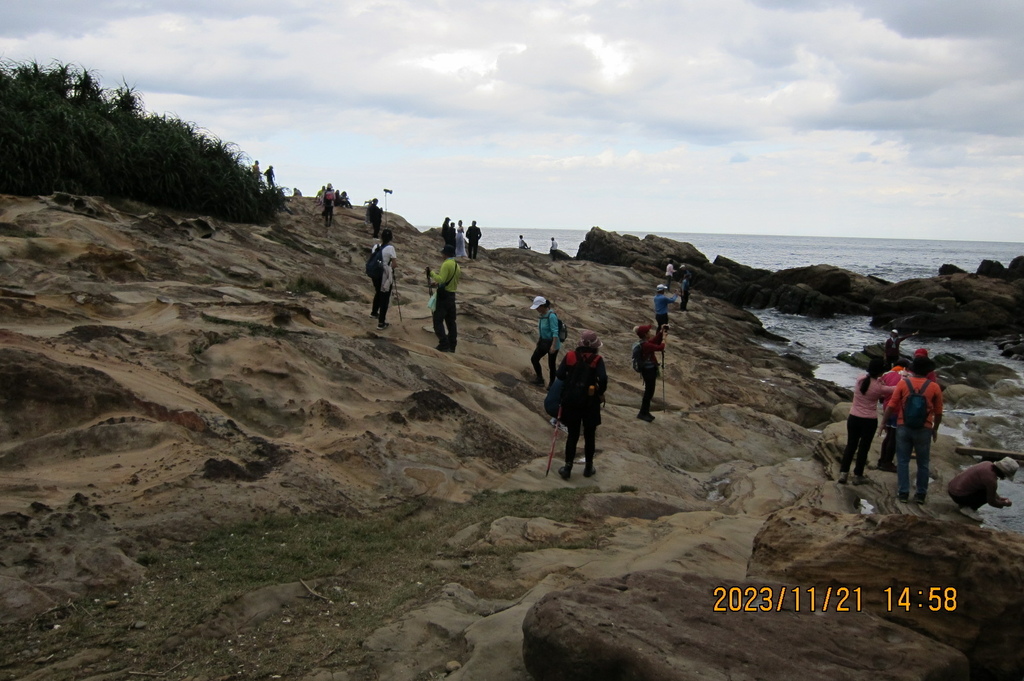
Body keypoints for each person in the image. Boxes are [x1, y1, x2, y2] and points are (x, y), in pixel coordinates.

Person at [879, 355, 943, 504]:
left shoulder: (903, 384)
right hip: (924, 428)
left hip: (903, 426)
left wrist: (883, 423)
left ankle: (903, 493)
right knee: (923, 463)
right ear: (928, 371)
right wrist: (935, 428)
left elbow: (892, 405)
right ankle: (920, 494)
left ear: (913, 369)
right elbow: (939, 412)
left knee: (902, 461)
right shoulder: (934, 387)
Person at [555, 330, 607, 480]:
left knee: (573, 435)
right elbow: (603, 378)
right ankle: (588, 467)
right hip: (590, 402)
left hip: (571, 400)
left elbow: (559, 375)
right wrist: (600, 391)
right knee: (590, 435)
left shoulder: (570, 356)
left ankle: (567, 467)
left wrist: (571, 381)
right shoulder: (597, 359)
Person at [838, 358, 894, 485]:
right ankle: (858, 475)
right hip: (869, 420)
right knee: (864, 448)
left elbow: (869, 379)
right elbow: (894, 389)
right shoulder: (880, 388)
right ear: (880, 371)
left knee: (850, 446)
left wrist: (879, 379)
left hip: (854, 417)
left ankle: (843, 473)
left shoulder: (860, 379)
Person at [947, 458, 1018, 521]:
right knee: (985, 495)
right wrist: (1005, 504)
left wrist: (999, 498)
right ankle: (968, 509)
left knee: (986, 490)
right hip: (958, 495)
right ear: (1003, 473)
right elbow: (992, 502)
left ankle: (966, 504)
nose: (1004, 477)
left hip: (952, 489)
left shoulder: (987, 463)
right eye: (1005, 475)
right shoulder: (991, 480)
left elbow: (990, 490)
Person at [427, 244, 461, 352]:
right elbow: (448, 281)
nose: (442, 255)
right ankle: (452, 344)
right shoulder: (456, 265)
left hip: (444, 296)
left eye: (443, 253)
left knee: (437, 320)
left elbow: (441, 279)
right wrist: (436, 284)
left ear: (446, 254)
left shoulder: (446, 264)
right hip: (452, 295)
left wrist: (431, 273)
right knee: (451, 322)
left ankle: (443, 343)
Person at [874, 364, 906, 473]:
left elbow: (881, 395)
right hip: (898, 409)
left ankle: (882, 460)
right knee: (893, 437)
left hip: (887, 408)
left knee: (888, 436)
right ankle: (887, 462)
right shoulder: (906, 377)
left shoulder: (887, 375)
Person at [634, 324, 667, 422]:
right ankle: (642, 413)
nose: (650, 333)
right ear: (645, 334)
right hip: (649, 371)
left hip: (648, 370)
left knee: (649, 391)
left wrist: (661, 332)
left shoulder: (645, 343)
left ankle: (645, 411)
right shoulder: (646, 345)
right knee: (649, 392)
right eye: (648, 332)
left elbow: (655, 340)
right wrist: (664, 339)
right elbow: (660, 347)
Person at [529, 296, 561, 387]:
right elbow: (542, 330)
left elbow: (555, 332)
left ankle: (551, 385)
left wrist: (553, 346)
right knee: (534, 359)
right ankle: (540, 379)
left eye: (537, 307)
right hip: (543, 342)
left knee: (551, 365)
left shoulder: (551, 316)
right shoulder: (542, 316)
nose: (536, 309)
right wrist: (539, 340)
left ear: (543, 305)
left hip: (552, 343)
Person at [370, 229, 397, 330]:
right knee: (385, 297)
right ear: (390, 238)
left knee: (378, 292)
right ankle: (381, 322)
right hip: (385, 275)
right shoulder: (390, 248)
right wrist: (391, 268)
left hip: (375, 274)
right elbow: (394, 264)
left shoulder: (375, 247)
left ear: (381, 237)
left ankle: (373, 312)